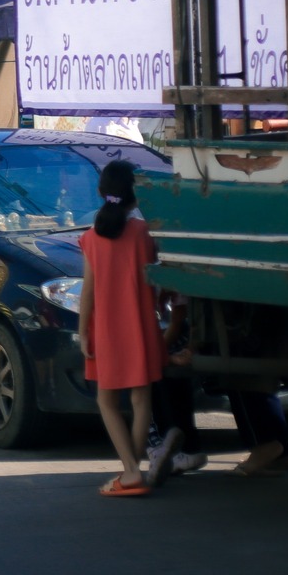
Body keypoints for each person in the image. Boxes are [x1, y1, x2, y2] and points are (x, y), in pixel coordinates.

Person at [80, 160, 161, 495]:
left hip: (107, 329)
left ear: (102, 193)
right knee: (143, 400)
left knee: (107, 401)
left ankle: (129, 470)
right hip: (142, 326)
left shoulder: (91, 238)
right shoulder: (146, 234)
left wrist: (83, 331)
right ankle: (134, 468)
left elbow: (88, 290)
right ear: (135, 196)